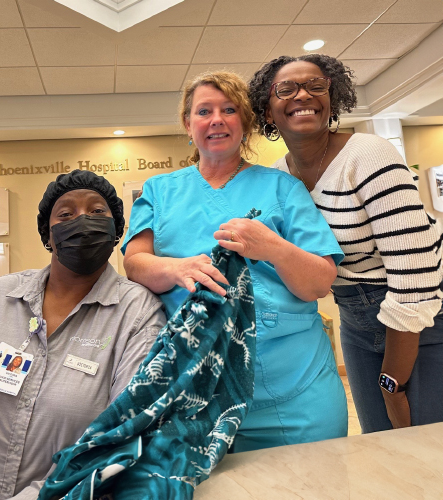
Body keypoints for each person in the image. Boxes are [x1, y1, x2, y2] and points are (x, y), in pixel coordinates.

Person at [123, 71, 348, 453]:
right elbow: (134, 262)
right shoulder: (159, 191)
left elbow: (319, 282)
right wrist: (175, 268)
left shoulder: (283, 187)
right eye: (204, 111)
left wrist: (272, 247)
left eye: (229, 110)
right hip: (198, 392)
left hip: (296, 389)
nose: (216, 120)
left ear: (245, 123)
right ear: (187, 123)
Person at [249, 54, 443, 434]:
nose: (302, 95)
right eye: (286, 89)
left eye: (316, 86)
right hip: (354, 318)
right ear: (268, 112)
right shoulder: (278, 176)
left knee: (424, 447)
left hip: (420, 320)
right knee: (381, 442)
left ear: (332, 99)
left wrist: (393, 383)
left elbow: (416, 283)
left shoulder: (367, 154)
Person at [0, 169, 166, 499]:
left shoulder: (137, 315)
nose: (83, 220)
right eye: (66, 214)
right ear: (48, 234)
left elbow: (116, 436)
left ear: (116, 230)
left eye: (97, 211)